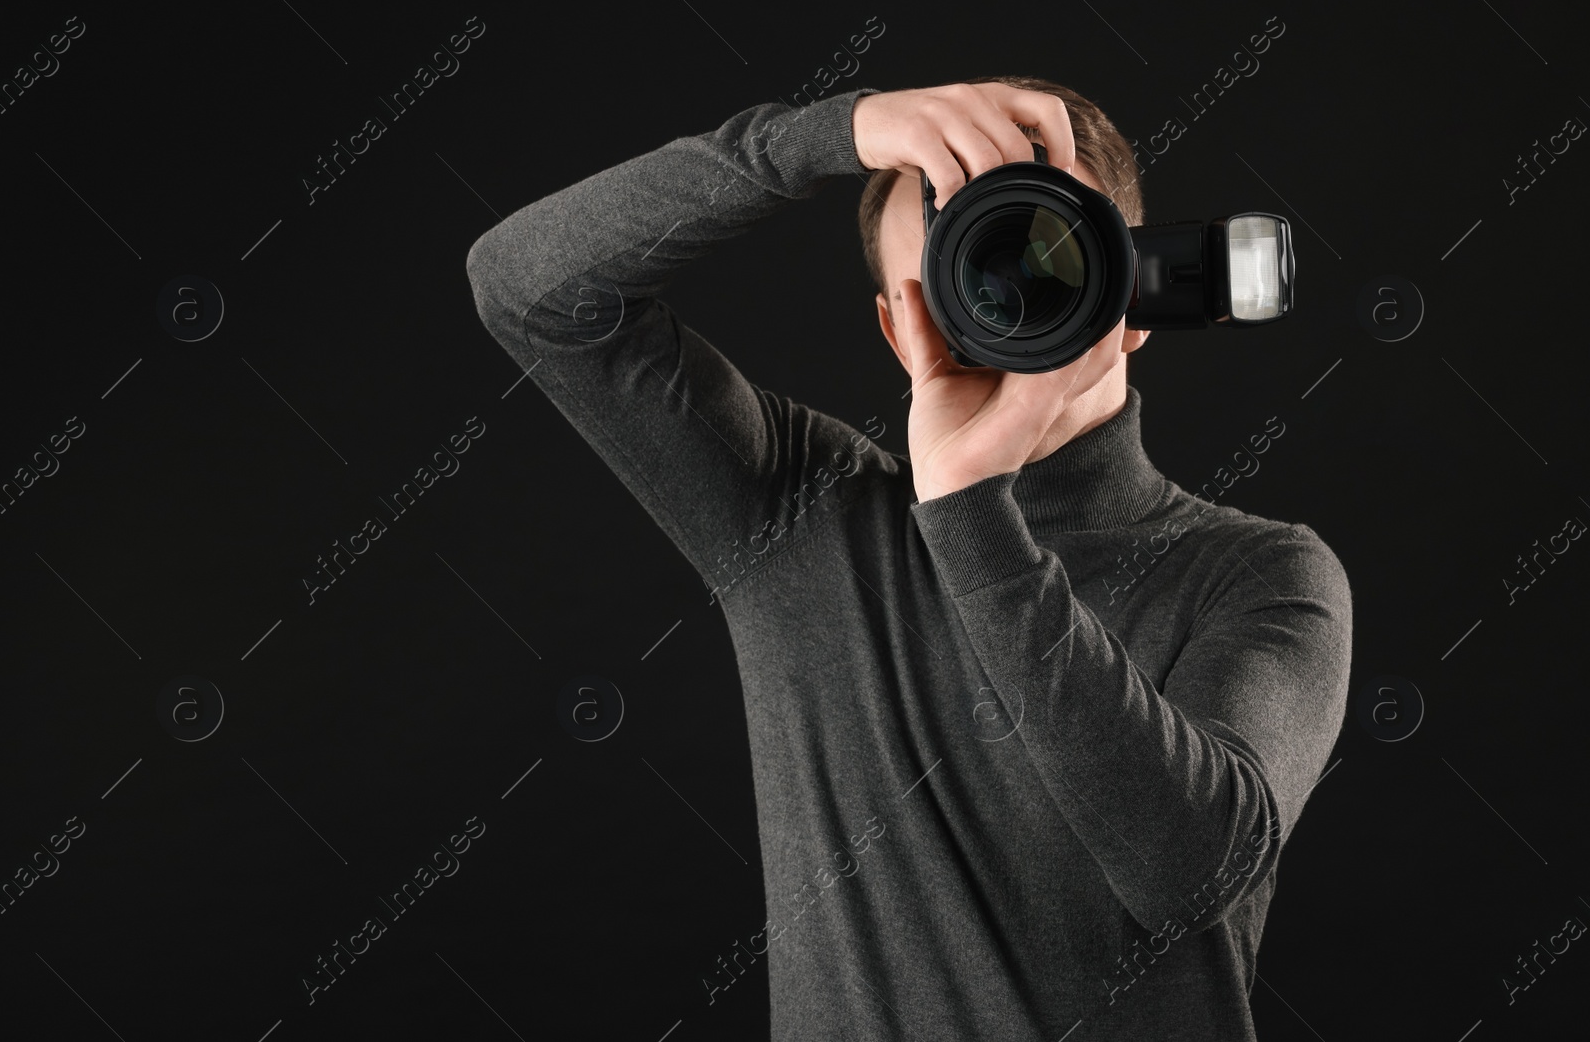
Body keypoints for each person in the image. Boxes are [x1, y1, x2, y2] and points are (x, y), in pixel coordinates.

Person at [465, 75, 1353, 1042]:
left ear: (1133, 300)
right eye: (969, 269)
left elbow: (1189, 874)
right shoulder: (799, 512)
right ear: (898, 326)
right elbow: (527, 288)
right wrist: (814, 138)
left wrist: (974, 513)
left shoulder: (1263, 574)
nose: (1011, 297)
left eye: (1050, 254)